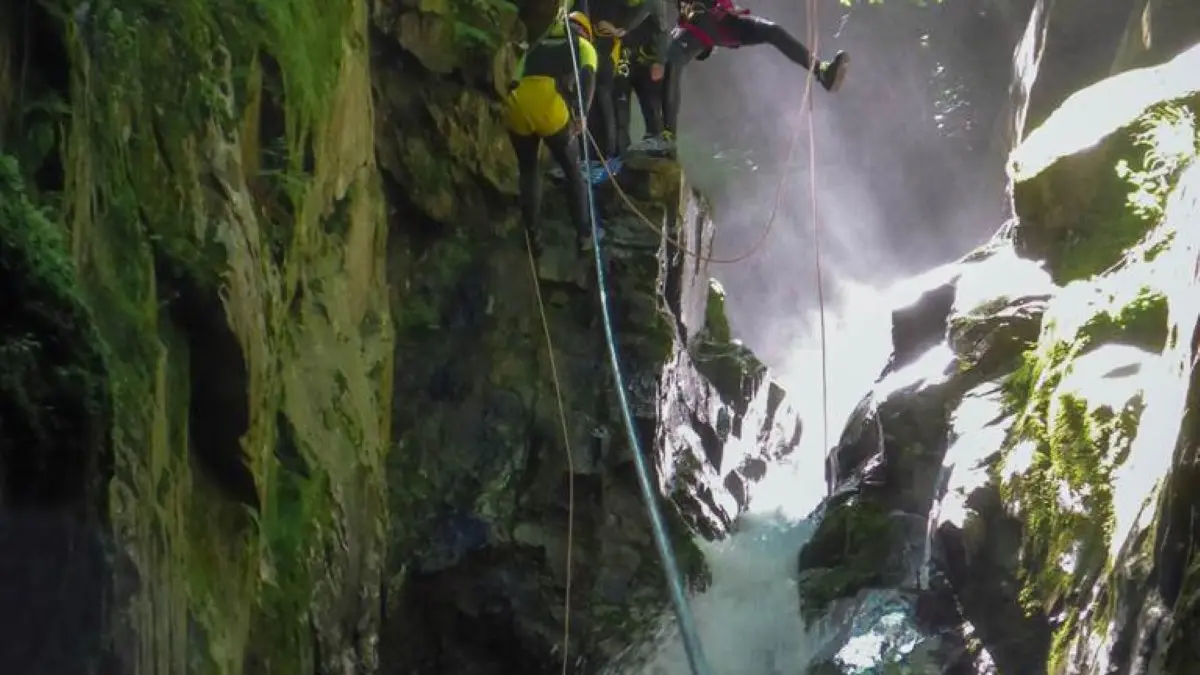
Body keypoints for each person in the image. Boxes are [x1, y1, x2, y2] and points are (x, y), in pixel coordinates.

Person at [654, 0, 850, 156]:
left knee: (773, 31)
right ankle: (667, 136)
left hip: (724, 19)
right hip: (696, 25)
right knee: (672, 62)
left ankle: (821, 71)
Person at [503, 11, 598, 255]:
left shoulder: (535, 45)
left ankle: (532, 236)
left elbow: (514, 80)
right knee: (572, 170)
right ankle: (584, 234)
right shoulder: (584, 45)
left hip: (518, 104)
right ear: (585, 30)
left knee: (528, 169)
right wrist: (580, 113)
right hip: (549, 105)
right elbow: (587, 79)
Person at [572, 0, 659, 162]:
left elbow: (646, 8)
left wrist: (617, 30)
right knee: (599, 102)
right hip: (597, 51)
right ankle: (599, 155)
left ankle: (606, 154)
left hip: (605, 52)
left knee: (602, 100)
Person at [614, 10, 670, 156]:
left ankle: (656, 146)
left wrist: (659, 60)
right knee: (620, 107)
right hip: (621, 58)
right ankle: (621, 150)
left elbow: (661, 28)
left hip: (646, 60)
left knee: (651, 105)